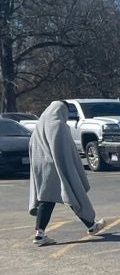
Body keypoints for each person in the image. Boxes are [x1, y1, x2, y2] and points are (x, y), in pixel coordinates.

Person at [28, 100, 104, 246]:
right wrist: (74, 168)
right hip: (57, 165)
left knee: (47, 199)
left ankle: (39, 234)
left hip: (41, 167)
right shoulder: (59, 126)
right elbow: (66, 150)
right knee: (72, 194)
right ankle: (91, 225)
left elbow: (32, 146)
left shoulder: (40, 125)